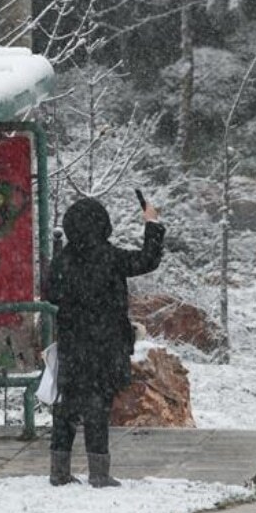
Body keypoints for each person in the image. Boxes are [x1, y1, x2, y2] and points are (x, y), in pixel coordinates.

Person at [45, 195, 165, 487]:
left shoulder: (63, 260)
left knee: (67, 406)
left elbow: (51, 294)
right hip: (105, 345)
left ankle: (59, 471)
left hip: (73, 344)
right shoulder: (111, 258)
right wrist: (151, 223)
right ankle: (99, 472)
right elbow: (147, 259)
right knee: (98, 406)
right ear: (103, 225)